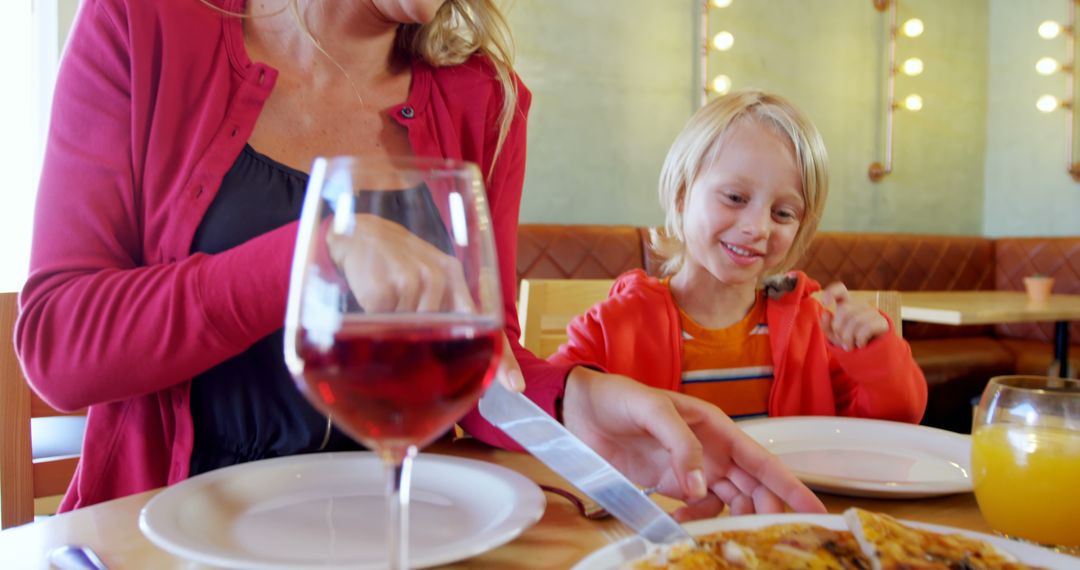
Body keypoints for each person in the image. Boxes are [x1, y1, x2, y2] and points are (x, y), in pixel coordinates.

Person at [18, 0, 824, 520]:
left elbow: (474, 364)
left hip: (406, 526)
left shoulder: (487, 98)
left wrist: (575, 402)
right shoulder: (141, 24)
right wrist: (312, 257)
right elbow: (58, 348)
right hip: (170, 534)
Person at [551, 90, 928, 424]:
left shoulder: (816, 328)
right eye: (735, 198)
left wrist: (878, 354)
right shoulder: (613, 327)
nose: (758, 228)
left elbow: (893, 422)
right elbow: (539, 414)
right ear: (682, 195)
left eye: (783, 213)